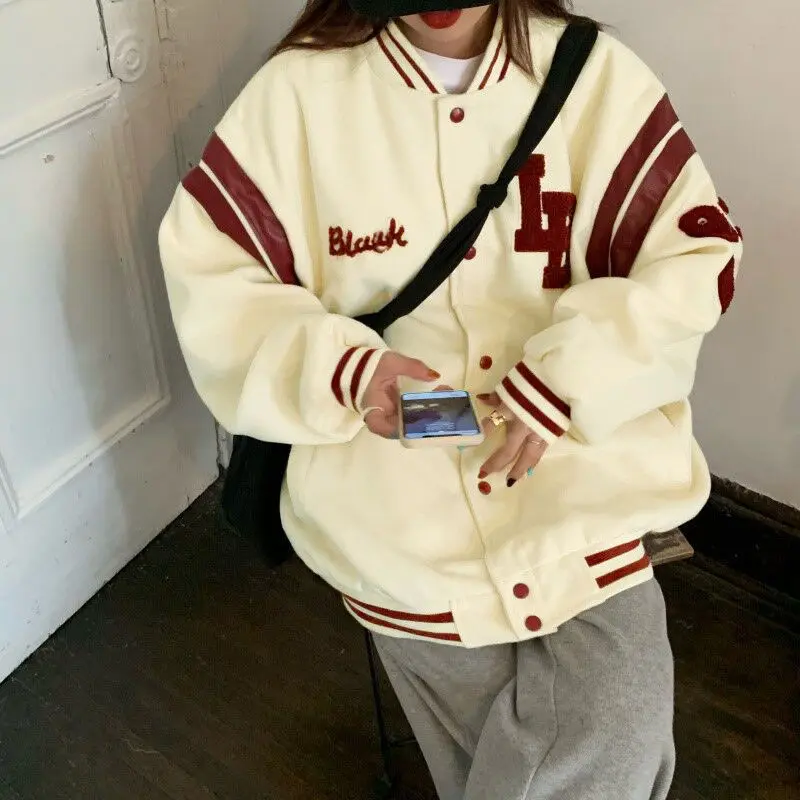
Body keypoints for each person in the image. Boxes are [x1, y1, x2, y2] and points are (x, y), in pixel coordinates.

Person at [158, 1, 744, 797]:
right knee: (581, 765)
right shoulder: (297, 95)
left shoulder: (594, 77)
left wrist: (572, 371)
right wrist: (347, 371)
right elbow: (216, 282)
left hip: (581, 476)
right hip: (397, 504)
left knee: (614, 725)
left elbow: (696, 253)